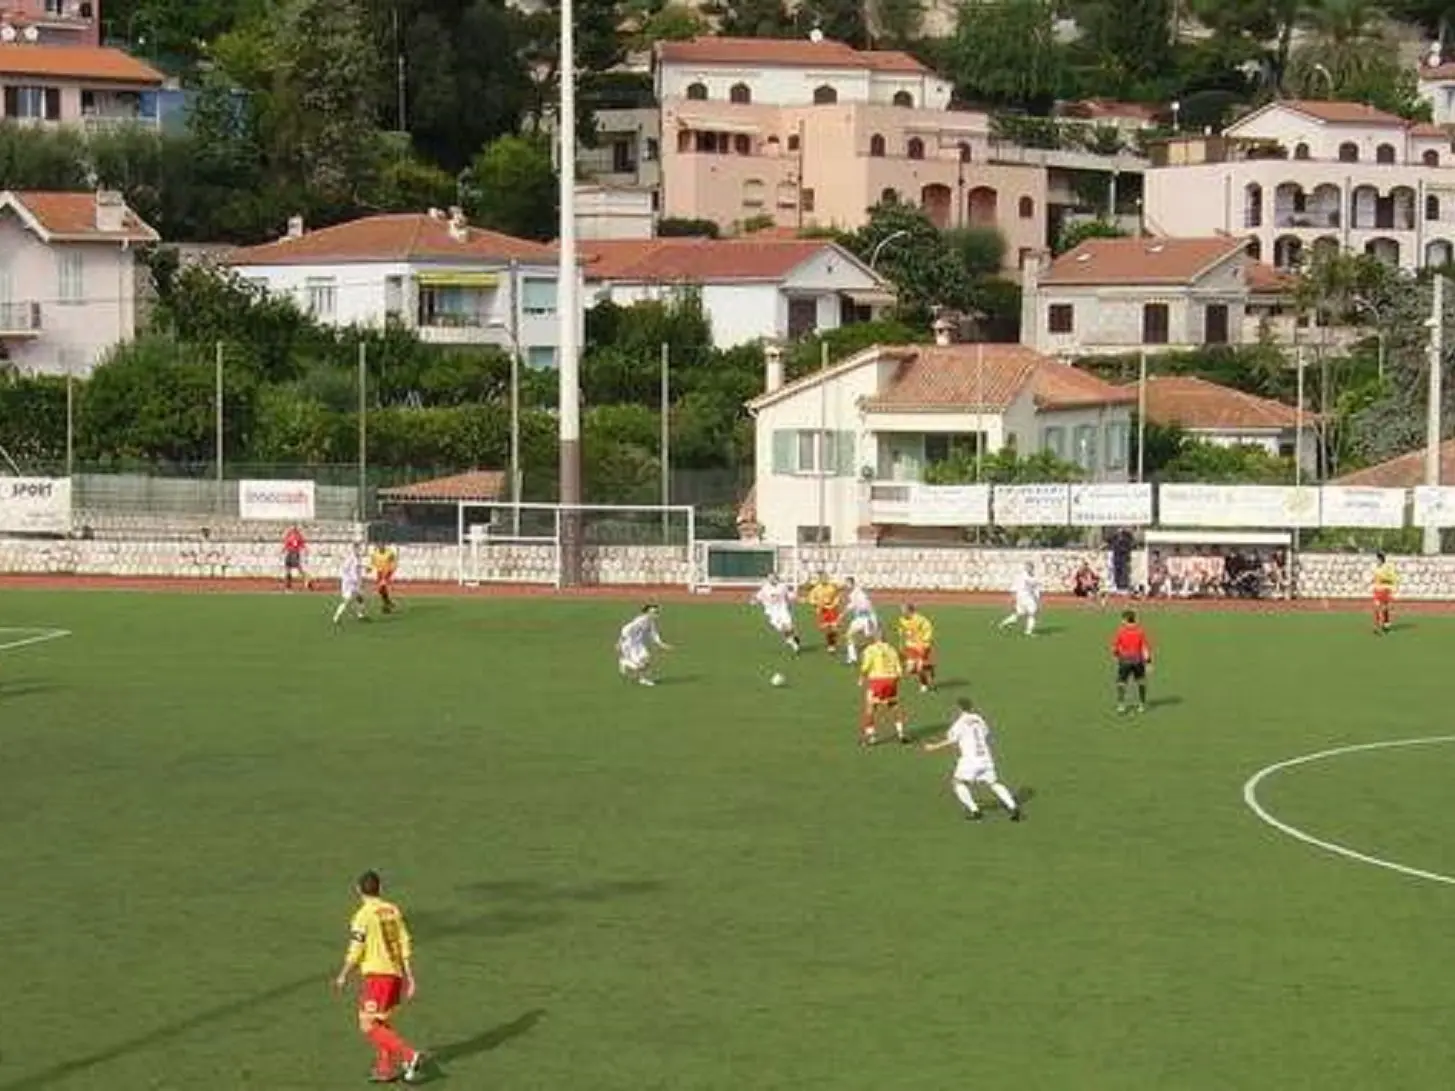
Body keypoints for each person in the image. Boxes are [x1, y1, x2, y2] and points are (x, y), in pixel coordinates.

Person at [334, 870, 427, 1084]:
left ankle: (409, 1055)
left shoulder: (363, 916)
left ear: (358, 890)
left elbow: (356, 948)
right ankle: (385, 1068)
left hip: (378, 976)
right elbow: (404, 942)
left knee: (367, 1024)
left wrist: (343, 974)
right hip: (395, 975)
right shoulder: (392, 910)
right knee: (381, 1021)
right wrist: (410, 976)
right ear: (380, 888)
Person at [921, 697, 1022, 821]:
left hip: (970, 760)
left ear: (958, 709)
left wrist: (933, 746)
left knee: (957, 782)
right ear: (971, 707)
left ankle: (975, 811)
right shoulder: (979, 719)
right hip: (985, 757)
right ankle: (1013, 807)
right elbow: (985, 733)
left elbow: (951, 740)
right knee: (994, 783)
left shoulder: (959, 723)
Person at [858, 632, 907, 745]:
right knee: (894, 706)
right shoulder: (891, 649)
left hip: (877, 680)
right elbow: (899, 668)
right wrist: (896, 679)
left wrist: (861, 677)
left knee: (870, 706)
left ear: (874, 639)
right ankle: (901, 733)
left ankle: (871, 737)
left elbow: (866, 665)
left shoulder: (871, 649)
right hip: (892, 679)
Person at [1111, 609, 1153, 714]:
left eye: (1122, 619)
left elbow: (1115, 648)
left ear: (1126, 619)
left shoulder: (1121, 631)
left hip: (1125, 660)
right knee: (1141, 682)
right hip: (1138, 660)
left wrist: (1116, 656)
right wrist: (1148, 662)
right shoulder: (1140, 631)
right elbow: (1145, 648)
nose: (1122, 621)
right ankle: (1142, 705)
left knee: (1121, 682)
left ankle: (1121, 705)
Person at [617, 604, 670, 686]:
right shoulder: (639, 621)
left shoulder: (651, 622)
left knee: (646, 660)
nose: (656, 614)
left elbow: (654, 634)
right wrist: (620, 641)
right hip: (630, 645)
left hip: (639, 644)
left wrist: (661, 644)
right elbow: (626, 629)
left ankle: (643, 679)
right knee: (639, 665)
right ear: (647, 612)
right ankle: (624, 662)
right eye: (654, 612)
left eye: (657, 612)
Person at [751, 573, 801, 653]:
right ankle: (792, 641)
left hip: (783, 610)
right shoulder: (765, 589)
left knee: (790, 627)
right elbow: (757, 597)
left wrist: (794, 596)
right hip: (772, 613)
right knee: (783, 628)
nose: (772, 579)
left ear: (776, 578)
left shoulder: (782, 586)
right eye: (770, 578)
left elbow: (788, 595)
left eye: (773, 578)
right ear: (768, 580)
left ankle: (791, 639)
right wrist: (754, 601)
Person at [897, 604, 936, 692]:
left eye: (903, 611)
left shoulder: (921, 620)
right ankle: (929, 667)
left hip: (922, 646)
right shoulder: (902, 620)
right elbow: (902, 631)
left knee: (919, 668)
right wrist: (901, 643)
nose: (902, 613)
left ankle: (924, 684)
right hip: (910, 646)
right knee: (910, 670)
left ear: (910, 611)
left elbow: (928, 630)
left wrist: (924, 642)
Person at [842, 578, 880, 665]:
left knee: (871, 639)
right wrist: (843, 614)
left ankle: (876, 655)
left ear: (852, 583)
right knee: (849, 635)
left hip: (866, 618)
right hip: (860, 618)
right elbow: (852, 605)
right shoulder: (853, 594)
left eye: (847, 583)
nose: (846, 585)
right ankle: (852, 658)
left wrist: (870, 620)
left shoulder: (858, 593)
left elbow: (864, 606)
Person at [998, 562, 1041, 636]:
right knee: (1032, 614)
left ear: (1032, 568)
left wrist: (1037, 598)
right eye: (1027, 567)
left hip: (1028, 597)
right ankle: (1028, 632)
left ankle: (1003, 623)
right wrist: (1013, 596)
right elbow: (1015, 586)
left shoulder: (1034, 578)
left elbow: (1035, 589)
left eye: (1030, 567)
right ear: (1025, 568)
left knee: (1019, 614)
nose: (1028, 568)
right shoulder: (1021, 576)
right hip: (1023, 597)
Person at [805, 573, 843, 655]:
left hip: (831, 609)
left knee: (834, 628)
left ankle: (832, 645)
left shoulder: (832, 587)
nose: (824, 580)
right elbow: (811, 599)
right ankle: (831, 644)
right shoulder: (816, 589)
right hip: (822, 610)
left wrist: (835, 603)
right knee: (826, 628)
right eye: (822, 578)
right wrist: (817, 603)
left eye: (825, 578)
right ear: (820, 579)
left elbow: (837, 596)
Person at [333, 547, 368, 626]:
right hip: (349, 583)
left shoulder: (358, 558)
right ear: (354, 549)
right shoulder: (350, 558)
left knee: (360, 598)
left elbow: (357, 568)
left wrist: (365, 568)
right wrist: (348, 580)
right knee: (347, 600)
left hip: (355, 583)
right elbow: (344, 569)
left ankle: (360, 615)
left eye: (360, 549)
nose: (359, 551)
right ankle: (336, 616)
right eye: (358, 549)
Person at [1372, 551, 1397, 634]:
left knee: (1385, 609)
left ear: (1381, 560)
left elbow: (1392, 578)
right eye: (1376, 559)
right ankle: (1376, 626)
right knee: (1376, 607)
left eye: (1378, 559)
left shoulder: (1387, 568)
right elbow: (1375, 578)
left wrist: (1385, 579)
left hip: (1385, 590)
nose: (1376, 561)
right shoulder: (1376, 568)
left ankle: (1385, 626)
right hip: (1377, 591)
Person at [370, 542, 400, 614]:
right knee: (381, 590)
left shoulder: (389, 553)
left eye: (382, 546)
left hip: (387, 571)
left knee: (382, 586)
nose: (381, 548)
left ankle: (386, 606)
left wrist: (393, 568)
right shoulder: (375, 554)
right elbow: (373, 562)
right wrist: (369, 568)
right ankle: (388, 603)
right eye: (380, 546)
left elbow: (394, 561)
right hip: (380, 572)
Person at [282, 524, 311, 591]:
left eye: (293, 529)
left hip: (295, 553)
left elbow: (302, 544)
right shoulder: (288, 536)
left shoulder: (298, 537)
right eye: (291, 528)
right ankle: (288, 585)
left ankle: (306, 580)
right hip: (289, 553)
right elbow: (286, 544)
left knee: (299, 569)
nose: (292, 530)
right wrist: (283, 550)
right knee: (287, 569)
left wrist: (306, 550)